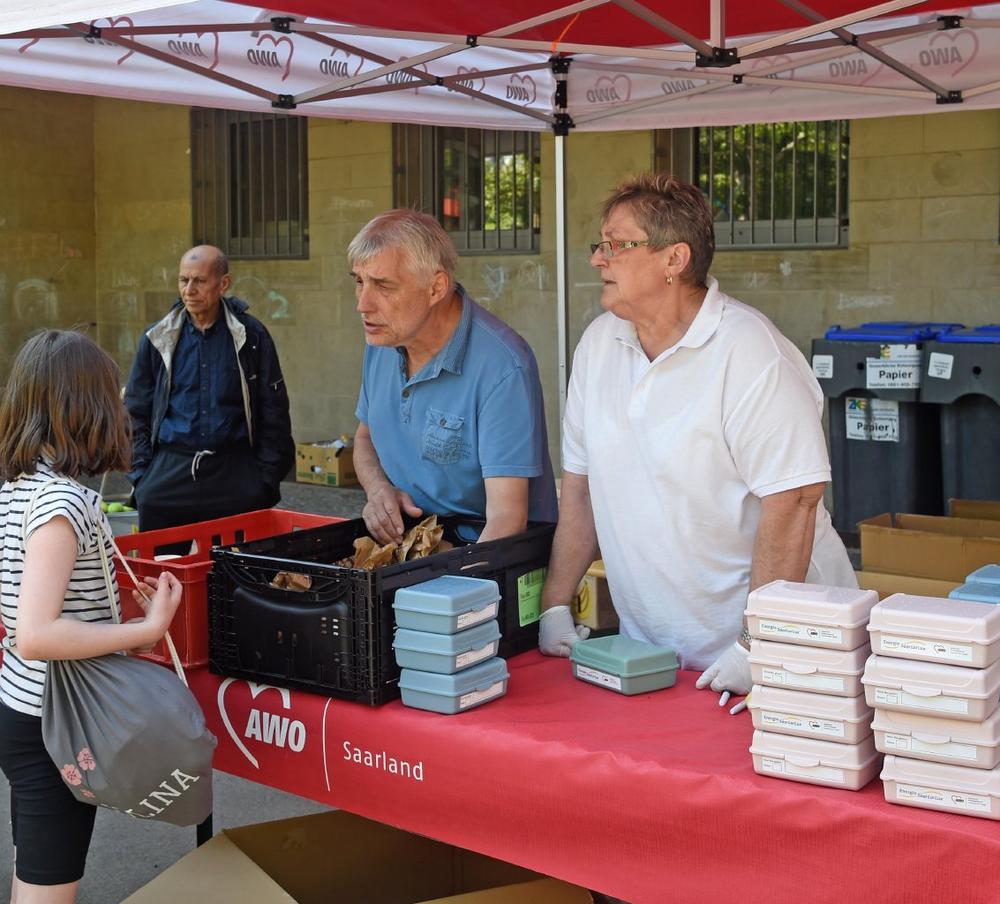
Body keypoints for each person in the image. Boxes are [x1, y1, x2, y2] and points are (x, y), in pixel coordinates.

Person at [537, 174, 855, 705]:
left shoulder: (752, 354)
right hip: (652, 657)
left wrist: (758, 644)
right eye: (601, 244)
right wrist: (554, 602)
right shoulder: (597, 345)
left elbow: (795, 500)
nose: (598, 259)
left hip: (781, 659)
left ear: (673, 259)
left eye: (617, 244)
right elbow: (581, 487)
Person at [0, 330, 182, 904]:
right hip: (57, 717)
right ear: (87, 405)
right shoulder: (65, 501)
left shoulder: (17, 487)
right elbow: (37, 633)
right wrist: (147, 629)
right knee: (49, 880)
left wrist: (110, 603)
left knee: (35, 860)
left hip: (21, 705)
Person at [349, 209, 558, 545]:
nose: (363, 303)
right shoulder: (384, 340)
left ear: (436, 288)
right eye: (359, 282)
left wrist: (447, 592)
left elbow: (507, 519)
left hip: (489, 558)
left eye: (383, 286)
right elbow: (364, 439)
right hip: (414, 546)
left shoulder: (502, 365)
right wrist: (379, 489)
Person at [124, 245, 295, 534]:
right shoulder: (158, 337)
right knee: (162, 568)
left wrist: (264, 479)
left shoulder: (250, 335)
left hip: (234, 468)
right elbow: (134, 410)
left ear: (223, 283)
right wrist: (142, 475)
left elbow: (274, 411)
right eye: (183, 280)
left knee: (236, 571)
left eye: (199, 281)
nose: (189, 289)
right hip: (171, 466)